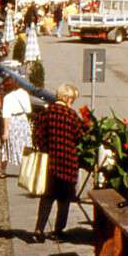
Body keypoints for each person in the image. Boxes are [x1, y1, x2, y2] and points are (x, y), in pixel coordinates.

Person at [31, 82, 84, 243]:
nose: (72, 102)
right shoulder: (71, 115)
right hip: (68, 163)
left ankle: (39, 229)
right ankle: (58, 231)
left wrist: (46, 148)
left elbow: (38, 135)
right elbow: (79, 136)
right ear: (67, 98)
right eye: (72, 99)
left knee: (47, 197)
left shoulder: (46, 113)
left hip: (50, 162)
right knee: (64, 200)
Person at [0, 76, 32, 177]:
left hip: (13, 122)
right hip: (23, 121)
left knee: (7, 147)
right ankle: (26, 171)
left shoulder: (7, 98)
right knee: (25, 146)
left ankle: (2, 171)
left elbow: (6, 116)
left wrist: (5, 132)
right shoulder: (24, 93)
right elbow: (28, 110)